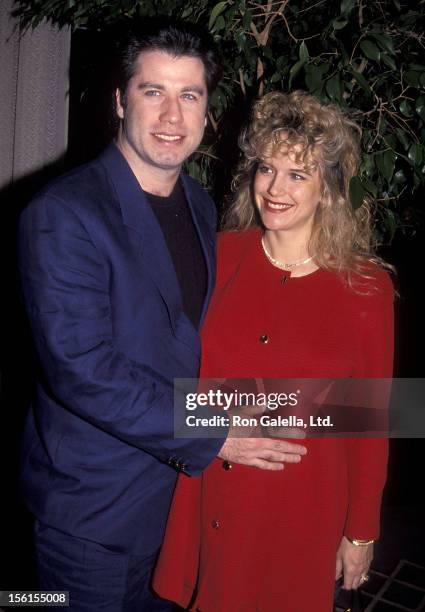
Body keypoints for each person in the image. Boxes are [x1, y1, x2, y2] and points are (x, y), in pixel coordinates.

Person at [18, 22, 306, 612]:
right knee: (34, 603)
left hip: (179, 508)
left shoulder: (200, 203)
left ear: (206, 112)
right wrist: (217, 431)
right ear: (120, 101)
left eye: (189, 95)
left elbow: (198, 340)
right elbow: (83, 369)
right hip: (92, 518)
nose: (172, 115)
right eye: (153, 92)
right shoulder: (64, 211)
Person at [153, 90, 394, 611]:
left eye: (297, 175)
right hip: (216, 484)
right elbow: (166, 376)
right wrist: (209, 420)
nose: (274, 189)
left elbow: (372, 420)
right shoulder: (218, 256)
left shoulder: (366, 288)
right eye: (266, 169)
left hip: (305, 507)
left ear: (328, 190)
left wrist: (361, 533)